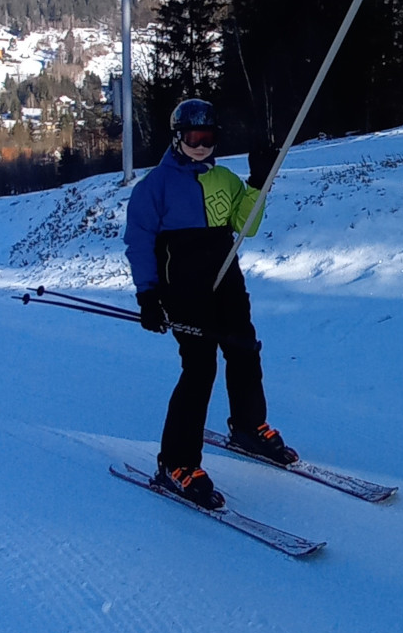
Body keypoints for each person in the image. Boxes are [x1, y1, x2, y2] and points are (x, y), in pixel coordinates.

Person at [125, 98, 294, 509]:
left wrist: (258, 183)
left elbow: (245, 227)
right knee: (200, 368)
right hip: (183, 290)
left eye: (208, 137)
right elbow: (139, 243)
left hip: (226, 282)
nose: (200, 146)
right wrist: (148, 295)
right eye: (193, 137)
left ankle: (249, 426)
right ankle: (176, 462)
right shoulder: (154, 187)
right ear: (177, 138)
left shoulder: (225, 179)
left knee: (244, 349)